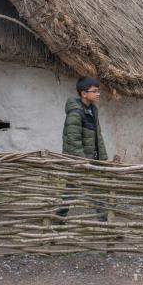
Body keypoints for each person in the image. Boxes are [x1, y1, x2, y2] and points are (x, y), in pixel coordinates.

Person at [57, 76, 108, 218]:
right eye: (95, 91)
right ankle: (105, 223)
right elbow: (73, 141)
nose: (98, 94)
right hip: (79, 160)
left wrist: (103, 158)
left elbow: (98, 136)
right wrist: (84, 162)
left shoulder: (93, 110)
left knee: (72, 190)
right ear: (84, 93)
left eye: (98, 91)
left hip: (90, 159)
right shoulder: (75, 113)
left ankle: (59, 218)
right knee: (87, 191)